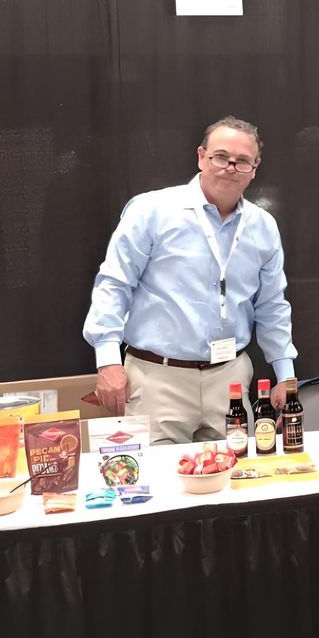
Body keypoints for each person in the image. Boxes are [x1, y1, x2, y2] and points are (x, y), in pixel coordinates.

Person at [83, 116, 296, 443]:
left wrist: (286, 376)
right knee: (158, 487)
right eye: (220, 157)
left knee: (236, 481)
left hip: (230, 378)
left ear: (255, 167)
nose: (230, 167)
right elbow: (114, 285)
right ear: (201, 156)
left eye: (242, 161)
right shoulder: (152, 211)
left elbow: (272, 306)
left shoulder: (262, 226)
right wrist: (108, 361)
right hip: (158, 378)